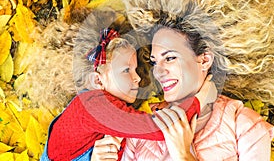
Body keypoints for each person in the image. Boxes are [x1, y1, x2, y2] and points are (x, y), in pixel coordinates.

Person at [120, 0, 274, 161]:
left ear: (204, 60)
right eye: (155, 62)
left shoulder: (245, 127)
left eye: (170, 58)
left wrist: (183, 155)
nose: (158, 71)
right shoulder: (141, 128)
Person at [40, 9, 202, 161]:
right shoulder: (94, 106)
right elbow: (158, 129)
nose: (137, 78)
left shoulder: (100, 108)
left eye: (135, 69)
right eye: (126, 70)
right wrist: (194, 100)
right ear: (98, 80)